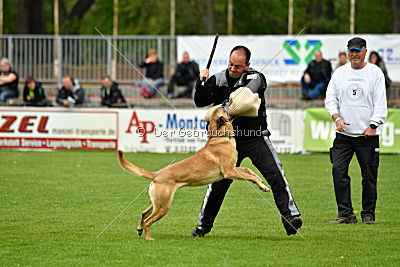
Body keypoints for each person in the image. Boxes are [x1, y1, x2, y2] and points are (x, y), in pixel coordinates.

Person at [191, 46, 302, 237]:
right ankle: (203, 226)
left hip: (255, 136)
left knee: (275, 174)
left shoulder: (255, 77)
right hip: (228, 141)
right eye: (231, 64)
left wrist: (221, 108)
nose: (233, 69)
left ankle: (290, 217)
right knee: (218, 184)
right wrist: (201, 83)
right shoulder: (217, 79)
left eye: (238, 66)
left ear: (247, 65)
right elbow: (200, 102)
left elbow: (242, 100)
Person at [325, 37, 387, 225]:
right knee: (338, 171)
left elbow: (380, 102)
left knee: (369, 176)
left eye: (358, 50)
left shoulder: (375, 73)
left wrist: (373, 125)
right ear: (348, 51)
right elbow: (330, 98)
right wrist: (337, 117)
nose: (354, 54)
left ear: (365, 51)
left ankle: (368, 213)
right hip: (343, 135)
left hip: (366, 135)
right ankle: (345, 214)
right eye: (351, 50)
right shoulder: (339, 73)